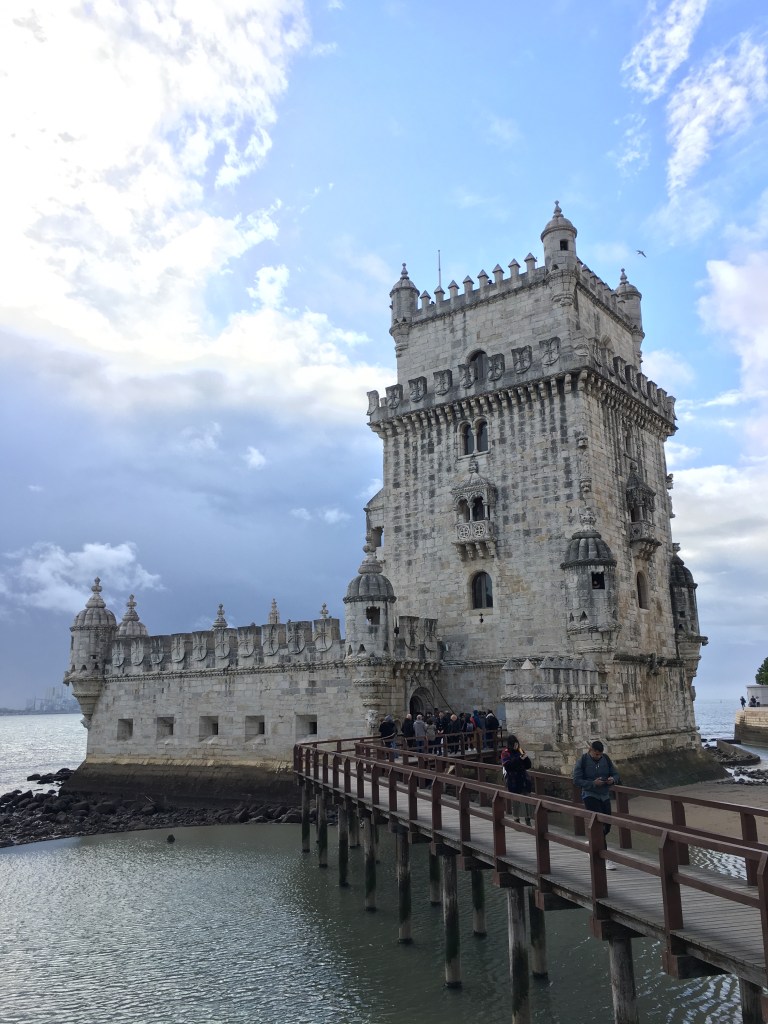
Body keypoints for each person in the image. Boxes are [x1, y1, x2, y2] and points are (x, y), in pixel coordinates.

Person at [573, 740, 621, 869]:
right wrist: (593, 783)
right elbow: (576, 780)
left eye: (600, 754)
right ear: (591, 750)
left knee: (607, 825)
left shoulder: (606, 759)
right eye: (596, 754)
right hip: (590, 795)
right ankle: (605, 858)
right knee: (599, 824)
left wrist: (613, 779)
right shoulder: (583, 761)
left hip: (604, 795)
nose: (598, 756)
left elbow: (616, 774)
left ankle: (592, 843)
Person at [501, 735, 532, 824]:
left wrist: (526, 759)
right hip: (513, 779)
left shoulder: (520, 750)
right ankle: (516, 819)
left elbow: (528, 766)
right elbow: (508, 766)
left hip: (523, 778)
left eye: (517, 744)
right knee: (516, 801)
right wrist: (519, 759)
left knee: (527, 799)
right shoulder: (505, 753)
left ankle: (528, 819)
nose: (516, 746)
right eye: (514, 745)